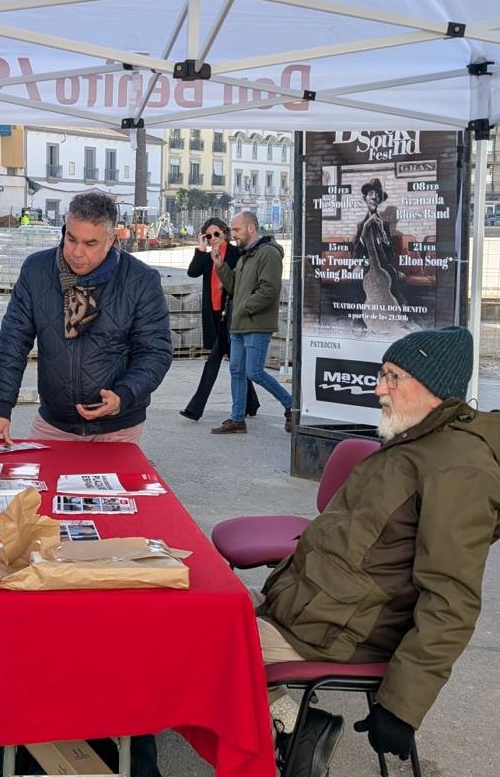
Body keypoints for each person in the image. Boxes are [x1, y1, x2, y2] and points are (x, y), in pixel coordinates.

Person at [255, 326, 498, 775]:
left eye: (392, 376)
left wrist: (402, 706)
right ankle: (292, 724)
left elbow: (451, 599)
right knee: (194, 614)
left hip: (342, 631)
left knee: (195, 649)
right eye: (380, 373)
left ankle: (280, 735)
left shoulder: (458, 470)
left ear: (433, 388)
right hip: (316, 610)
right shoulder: (418, 439)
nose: (378, 387)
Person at [0, 191, 172, 447]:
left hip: (119, 426)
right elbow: (13, 341)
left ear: (110, 240)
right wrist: (1, 407)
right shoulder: (36, 271)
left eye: (90, 244)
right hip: (55, 423)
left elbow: (155, 352)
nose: (76, 252)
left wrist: (123, 395)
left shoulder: (141, 280)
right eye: (71, 239)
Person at [211, 211, 292, 434]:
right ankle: (237, 419)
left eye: (236, 230)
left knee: (254, 372)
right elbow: (235, 287)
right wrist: (220, 266)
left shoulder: (268, 254)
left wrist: (244, 307)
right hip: (240, 323)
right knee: (236, 370)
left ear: (251, 228)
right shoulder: (247, 254)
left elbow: (269, 290)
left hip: (256, 323)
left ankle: (291, 405)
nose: (233, 234)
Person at [179, 217, 259, 421]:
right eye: (208, 235)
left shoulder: (236, 254)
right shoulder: (206, 256)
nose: (213, 238)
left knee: (213, 360)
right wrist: (200, 249)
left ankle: (195, 409)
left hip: (230, 315)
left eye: (216, 234)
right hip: (213, 314)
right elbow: (192, 272)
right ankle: (252, 403)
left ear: (225, 233)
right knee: (235, 359)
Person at [354, 178, 407, 334]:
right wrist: (364, 230)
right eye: (370, 194)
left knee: (392, 276)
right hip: (367, 266)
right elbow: (356, 252)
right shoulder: (360, 225)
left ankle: (394, 317)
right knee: (360, 279)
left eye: (377, 195)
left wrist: (384, 237)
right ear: (365, 198)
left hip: (384, 266)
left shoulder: (384, 225)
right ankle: (360, 320)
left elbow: (391, 255)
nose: (374, 197)